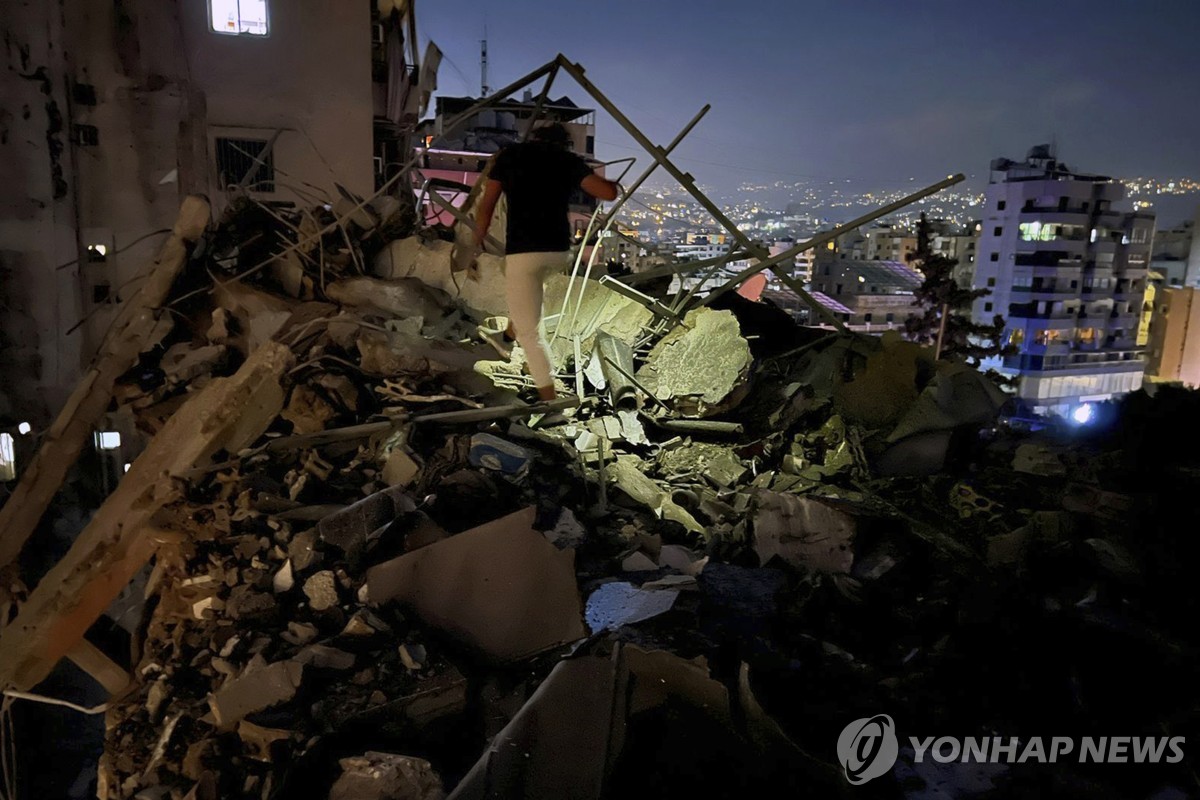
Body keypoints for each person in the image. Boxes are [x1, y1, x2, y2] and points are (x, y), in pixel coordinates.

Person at [474, 123, 619, 401]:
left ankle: (549, 398)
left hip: (524, 252)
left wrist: (477, 236)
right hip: (556, 252)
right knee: (528, 297)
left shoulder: (511, 156)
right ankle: (507, 334)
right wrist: (615, 186)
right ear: (563, 143)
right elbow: (606, 193)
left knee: (530, 332)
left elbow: (488, 202)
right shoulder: (566, 160)